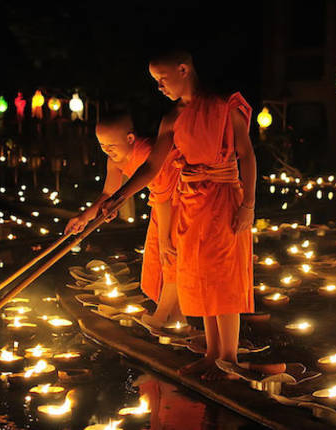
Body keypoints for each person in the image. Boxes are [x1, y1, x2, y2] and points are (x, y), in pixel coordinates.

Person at [100, 50, 256, 380]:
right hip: (191, 204)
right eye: (154, 81)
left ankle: (230, 359)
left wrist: (249, 206)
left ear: (183, 69)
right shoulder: (172, 118)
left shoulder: (223, 106)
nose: (158, 86)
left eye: (162, 78)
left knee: (222, 278)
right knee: (200, 277)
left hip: (224, 198)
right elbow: (153, 166)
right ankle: (213, 353)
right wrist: (120, 196)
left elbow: (247, 155)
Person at [64, 113, 185, 328]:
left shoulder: (148, 152)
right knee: (157, 256)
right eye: (102, 144)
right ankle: (177, 319)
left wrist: (165, 237)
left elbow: (164, 195)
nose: (106, 150)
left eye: (111, 144)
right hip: (161, 203)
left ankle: (162, 316)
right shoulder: (114, 160)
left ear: (130, 139)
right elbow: (108, 194)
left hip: (180, 200)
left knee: (170, 254)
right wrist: (84, 217)